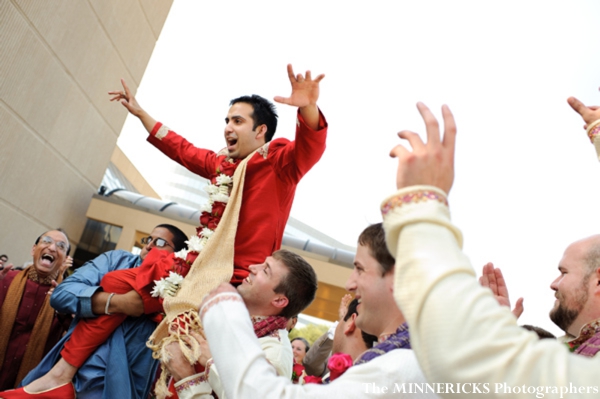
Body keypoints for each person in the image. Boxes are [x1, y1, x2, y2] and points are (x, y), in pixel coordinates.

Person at [381, 98, 600, 398]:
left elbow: (478, 372)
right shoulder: (576, 355)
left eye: (563, 272)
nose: (553, 283)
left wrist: (420, 204)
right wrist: (498, 334)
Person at [109, 64, 327, 285]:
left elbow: (310, 146)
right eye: (228, 121)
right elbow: (182, 149)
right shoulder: (220, 162)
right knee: (116, 282)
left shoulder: (279, 162)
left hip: (243, 281)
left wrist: (309, 107)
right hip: (201, 270)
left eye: (238, 121)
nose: (228, 128)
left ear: (261, 131)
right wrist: (140, 113)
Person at [194, 224, 437, 399]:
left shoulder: (404, 366)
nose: (350, 284)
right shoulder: (404, 358)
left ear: (396, 278)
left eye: (360, 269)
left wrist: (223, 312)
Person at [13, 224, 187, 399]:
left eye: (160, 242)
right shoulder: (116, 261)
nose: (149, 245)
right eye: (148, 239)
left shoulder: (176, 293)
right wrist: (115, 302)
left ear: (177, 257)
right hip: (71, 377)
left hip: (120, 386)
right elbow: (62, 294)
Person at [162, 249, 318, 399]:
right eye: (262, 264)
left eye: (265, 270)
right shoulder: (229, 318)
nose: (252, 268)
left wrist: (187, 377)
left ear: (279, 300)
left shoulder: (274, 355)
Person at [0, 231, 73, 390]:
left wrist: (65, 309)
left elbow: (74, 335)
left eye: (61, 246)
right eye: (46, 241)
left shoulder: (68, 296)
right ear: (34, 249)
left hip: (30, 385)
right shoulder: (7, 279)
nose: (52, 248)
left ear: (65, 259)